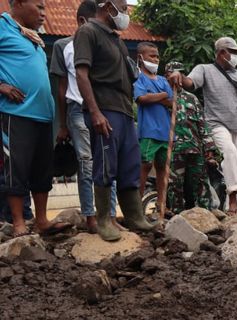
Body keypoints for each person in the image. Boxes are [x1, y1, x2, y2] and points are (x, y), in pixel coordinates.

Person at [74, 0, 156, 241]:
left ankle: (134, 216)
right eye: (123, 8)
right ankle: (104, 220)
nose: (126, 14)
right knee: (105, 165)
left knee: (130, 163)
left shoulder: (116, 39)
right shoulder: (88, 32)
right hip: (105, 108)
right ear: (107, 6)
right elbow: (81, 74)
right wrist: (95, 112)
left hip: (124, 110)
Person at [0, 0, 73, 237]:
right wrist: (1, 86)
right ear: (19, 3)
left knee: (42, 170)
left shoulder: (33, 38)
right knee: (16, 168)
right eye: (39, 7)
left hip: (43, 115)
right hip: (15, 113)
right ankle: (19, 223)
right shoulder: (2, 26)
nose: (44, 13)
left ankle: (42, 221)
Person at [49, 0, 120, 234]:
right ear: (82, 22)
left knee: (108, 162)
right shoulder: (62, 46)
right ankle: (90, 216)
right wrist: (63, 123)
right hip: (77, 110)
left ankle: (110, 215)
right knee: (87, 163)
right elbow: (61, 87)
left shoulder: (105, 42)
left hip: (101, 111)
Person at [168, 37, 237, 216]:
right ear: (222, 53)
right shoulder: (205, 69)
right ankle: (232, 195)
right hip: (216, 123)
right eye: (233, 53)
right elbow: (190, 83)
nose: (235, 57)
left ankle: (235, 211)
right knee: (229, 152)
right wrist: (179, 76)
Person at [164, 61, 219, 212]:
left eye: (180, 74)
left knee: (201, 184)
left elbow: (203, 125)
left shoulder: (191, 99)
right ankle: (177, 217)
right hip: (174, 150)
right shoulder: (163, 96)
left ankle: (206, 215)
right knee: (175, 186)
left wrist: (209, 149)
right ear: (166, 76)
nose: (177, 77)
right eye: (173, 74)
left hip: (195, 148)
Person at [133, 42, 173, 214]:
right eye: (152, 56)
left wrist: (155, 97)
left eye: (157, 56)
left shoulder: (163, 80)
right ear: (141, 58)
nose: (156, 59)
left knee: (163, 168)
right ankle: (135, 208)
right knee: (145, 165)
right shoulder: (138, 78)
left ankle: (161, 204)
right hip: (149, 131)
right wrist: (163, 95)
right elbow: (142, 98)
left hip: (165, 132)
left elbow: (172, 102)